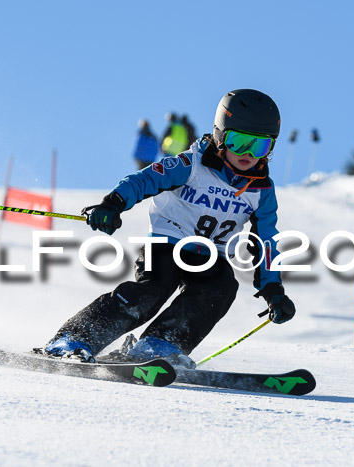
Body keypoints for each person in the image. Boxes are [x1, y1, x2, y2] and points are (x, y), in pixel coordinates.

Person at [43, 89, 296, 367]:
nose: (248, 154)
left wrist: (273, 289)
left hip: (213, 256)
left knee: (221, 288)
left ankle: (160, 345)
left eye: (259, 146)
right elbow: (146, 179)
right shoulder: (192, 164)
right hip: (166, 245)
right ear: (221, 136)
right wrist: (113, 203)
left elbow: (266, 241)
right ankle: (74, 338)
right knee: (152, 291)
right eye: (239, 142)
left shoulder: (261, 190)